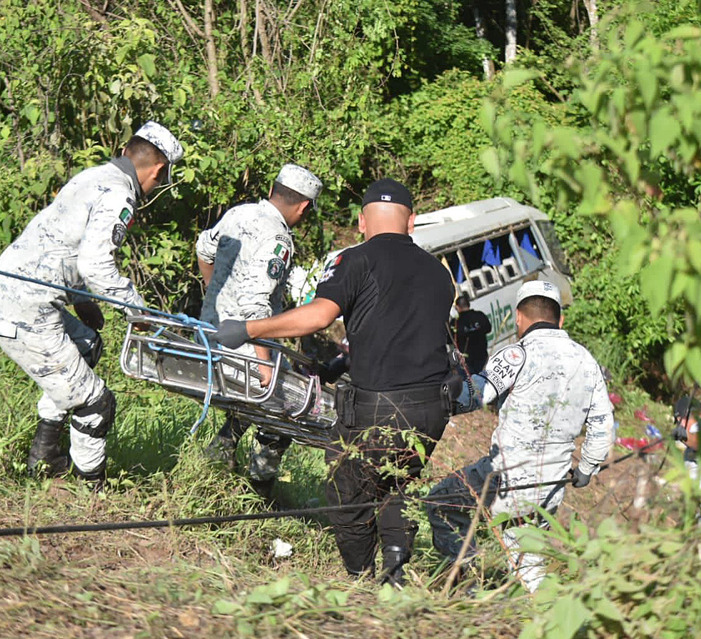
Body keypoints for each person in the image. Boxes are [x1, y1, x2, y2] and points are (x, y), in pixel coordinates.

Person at [209, 178, 455, 586]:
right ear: (411, 222)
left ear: (361, 222)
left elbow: (319, 316)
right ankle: (395, 579)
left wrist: (250, 329)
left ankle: (361, 583)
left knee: (348, 497)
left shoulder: (354, 260)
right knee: (397, 481)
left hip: (377, 406)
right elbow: (404, 332)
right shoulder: (439, 274)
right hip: (432, 408)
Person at [0, 121, 183, 487]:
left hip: (7, 294)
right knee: (97, 403)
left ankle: (44, 456)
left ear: (126, 152)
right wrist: (138, 312)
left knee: (86, 345)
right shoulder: (120, 195)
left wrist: (83, 300)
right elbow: (95, 264)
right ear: (158, 170)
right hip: (28, 310)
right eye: (163, 177)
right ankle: (90, 486)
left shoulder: (91, 177)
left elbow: (63, 245)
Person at [426, 281, 614, 592]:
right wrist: (585, 470)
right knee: (527, 558)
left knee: (442, 502)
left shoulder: (517, 354)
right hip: (553, 482)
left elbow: (476, 395)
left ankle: (471, 584)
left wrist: (442, 399)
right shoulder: (586, 361)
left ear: (518, 317)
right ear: (560, 319)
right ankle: (494, 596)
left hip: (507, 478)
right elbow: (602, 425)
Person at [195, 164, 323, 495]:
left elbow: (203, 248)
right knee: (286, 412)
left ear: (272, 189)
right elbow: (257, 307)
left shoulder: (240, 213)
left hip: (211, 334)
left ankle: (220, 454)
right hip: (245, 347)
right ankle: (259, 488)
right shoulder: (278, 239)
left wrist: (214, 297)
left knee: (254, 402)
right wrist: (265, 363)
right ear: (304, 206)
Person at [453, 294, 492, 374]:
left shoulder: (456, 322)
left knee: (468, 384)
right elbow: (488, 329)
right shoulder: (480, 316)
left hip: (465, 361)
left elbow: (449, 339)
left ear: (457, 307)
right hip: (482, 356)